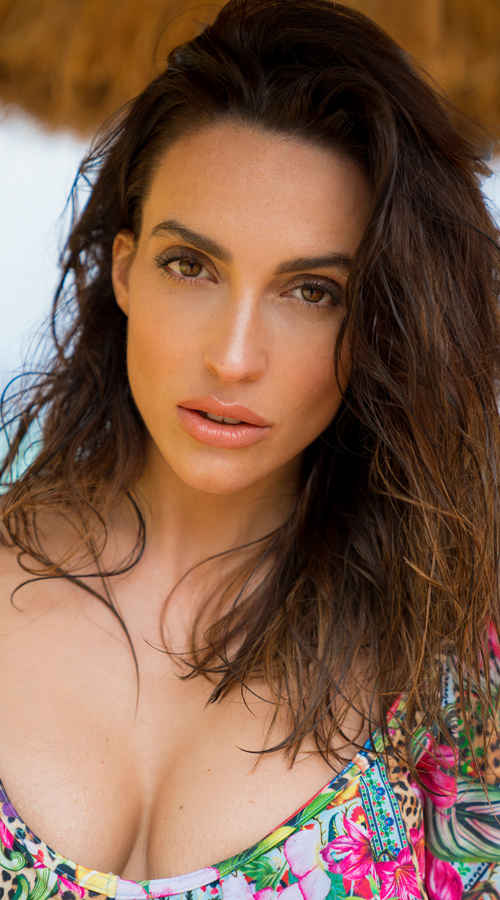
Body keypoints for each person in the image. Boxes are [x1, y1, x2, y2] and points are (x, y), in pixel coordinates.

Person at [1, 0, 500, 897]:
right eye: (190, 266)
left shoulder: (456, 664)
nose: (234, 358)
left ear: (383, 322)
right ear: (125, 269)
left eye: (312, 291)